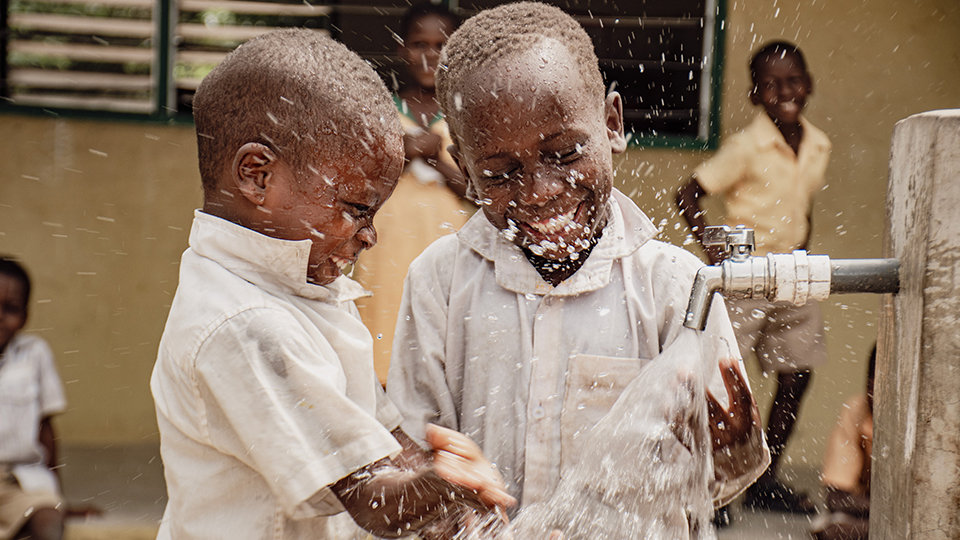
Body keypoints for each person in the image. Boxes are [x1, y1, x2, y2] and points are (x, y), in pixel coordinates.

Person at [386, 3, 770, 536]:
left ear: (612, 124)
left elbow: (711, 481)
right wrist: (431, 478)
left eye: (565, 153)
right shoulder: (438, 283)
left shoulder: (678, 288)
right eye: (499, 173)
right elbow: (414, 456)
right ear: (467, 173)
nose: (539, 191)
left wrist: (728, 457)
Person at [149, 29, 515, 540]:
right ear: (257, 176)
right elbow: (373, 501)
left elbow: (386, 448)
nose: (370, 236)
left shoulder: (302, 285)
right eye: (356, 209)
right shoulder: (246, 325)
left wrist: (448, 491)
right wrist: (449, 486)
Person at [676, 40, 831, 515]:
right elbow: (688, 194)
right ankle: (715, 486)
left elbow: (800, 207)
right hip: (746, 277)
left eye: (793, 80)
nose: (784, 90)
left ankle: (765, 480)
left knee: (797, 376)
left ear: (809, 85)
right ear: (754, 95)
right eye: (770, 83)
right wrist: (713, 247)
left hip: (794, 274)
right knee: (725, 381)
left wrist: (804, 250)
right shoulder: (745, 147)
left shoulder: (819, 143)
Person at [354, 2, 470, 382]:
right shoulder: (382, 110)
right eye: (420, 44)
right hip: (385, 249)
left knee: (447, 339)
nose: (430, 55)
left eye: (441, 46)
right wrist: (401, 153)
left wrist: (437, 160)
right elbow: (360, 184)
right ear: (403, 48)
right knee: (383, 329)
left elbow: (481, 193)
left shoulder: (468, 111)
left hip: (449, 246)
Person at [0, 256, 66, 540]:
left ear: (25, 316)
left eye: (10, 309)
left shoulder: (34, 354)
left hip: (20, 483)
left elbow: (46, 429)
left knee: (48, 518)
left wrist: (59, 498)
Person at [811, 346, 874, 540]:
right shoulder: (858, 409)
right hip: (868, 509)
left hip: (876, 511)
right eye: (870, 383)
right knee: (835, 530)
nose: (874, 391)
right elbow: (836, 497)